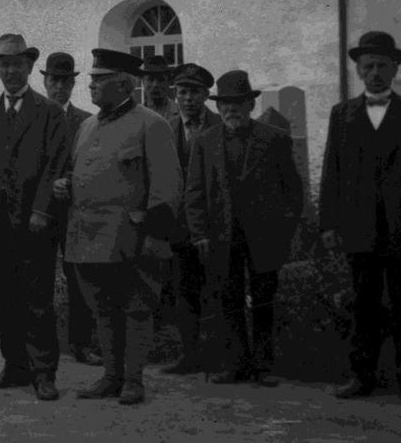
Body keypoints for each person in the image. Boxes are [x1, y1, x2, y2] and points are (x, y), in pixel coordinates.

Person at [57, 49, 180, 406]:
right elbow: (81, 172)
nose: (91, 85)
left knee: (136, 307)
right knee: (103, 309)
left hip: (130, 239)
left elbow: (167, 187)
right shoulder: (86, 126)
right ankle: (111, 376)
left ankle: (133, 380)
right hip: (88, 237)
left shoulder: (151, 124)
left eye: (99, 79)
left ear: (123, 83)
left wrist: (152, 235)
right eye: (92, 79)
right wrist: (64, 184)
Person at [320, 31, 401, 402]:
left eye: (382, 65)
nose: (375, 72)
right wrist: (329, 223)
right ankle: (362, 376)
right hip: (359, 228)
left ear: (394, 68)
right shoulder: (342, 114)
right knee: (364, 305)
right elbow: (331, 170)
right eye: (368, 66)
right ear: (359, 71)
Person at [184, 70, 302, 387]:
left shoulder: (273, 138)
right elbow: (194, 193)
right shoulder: (204, 142)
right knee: (227, 299)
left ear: (250, 105)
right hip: (222, 235)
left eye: (237, 103)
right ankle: (235, 364)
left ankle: (263, 367)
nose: (230, 110)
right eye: (225, 104)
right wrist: (199, 234)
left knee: (264, 299)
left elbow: (292, 191)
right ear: (218, 107)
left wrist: (284, 233)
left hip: (264, 236)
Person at [0, 37, 70, 401]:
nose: (10, 71)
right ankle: (14, 366)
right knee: (4, 296)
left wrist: (41, 210)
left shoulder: (49, 112)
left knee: (36, 298)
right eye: (4, 65)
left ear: (30, 68)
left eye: (17, 64)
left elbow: (56, 164)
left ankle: (43, 371)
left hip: (34, 224)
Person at [40, 51, 101, 367]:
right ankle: (37, 342)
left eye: (65, 81)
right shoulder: (35, 115)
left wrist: (69, 181)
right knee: (36, 277)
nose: (59, 87)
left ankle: (81, 343)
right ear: (45, 81)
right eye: (54, 80)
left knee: (78, 277)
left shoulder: (85, 121)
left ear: (73, 83)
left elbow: (90, 164)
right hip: (40, 210)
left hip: (75, 210)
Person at [160, 63, 220, 375]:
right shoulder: (166, 127)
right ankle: (189, 354)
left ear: (206, 95)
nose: (187, 99)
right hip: (178, 227)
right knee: (184, 291)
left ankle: (220, 354)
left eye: (194, 92)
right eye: (182, 92)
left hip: (212, 226)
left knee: (215, 289)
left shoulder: (218, 125)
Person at [141, 55, 179, 123]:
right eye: (150, 79)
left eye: (161, 79)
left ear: (169, 82)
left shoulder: (181, 114)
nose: (155, 84)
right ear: (143, 81)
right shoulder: (134, 116)